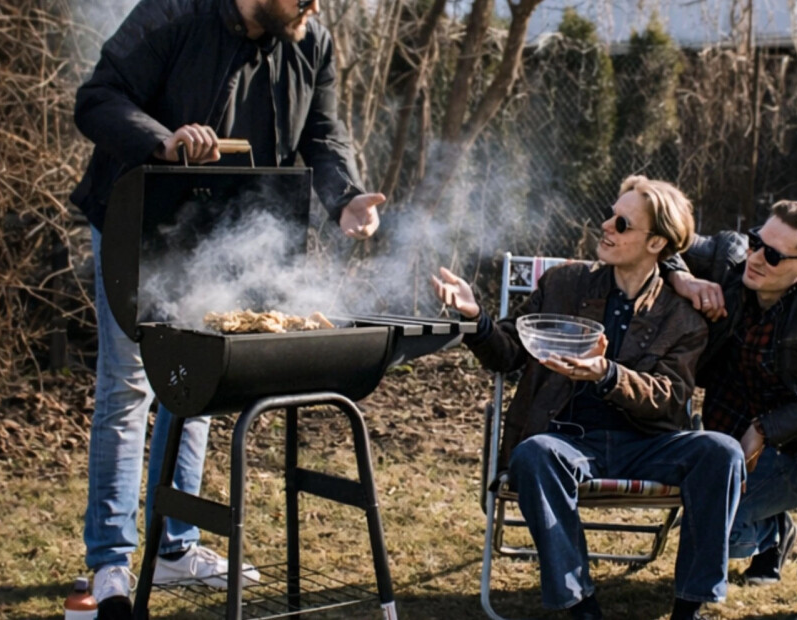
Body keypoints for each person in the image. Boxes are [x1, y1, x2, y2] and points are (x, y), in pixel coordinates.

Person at [70, 0, 385, 616]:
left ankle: (174, 549)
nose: (315, 6)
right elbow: (98, 98)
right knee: (129, 386)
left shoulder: (310, 41)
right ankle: (110, 560)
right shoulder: (172, 15)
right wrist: (163, 140)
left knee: (198, 382)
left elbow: (322, 134)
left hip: (222, 237)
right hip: (139, 222)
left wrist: (344, 196)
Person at [432, 176, 745, 620]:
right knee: (533, 454)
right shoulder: (565, 285)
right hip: (568, 441)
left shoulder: (682, 317)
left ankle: (690, 606)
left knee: (722, 452)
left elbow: (671, 400)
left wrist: (607, 374)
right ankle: (581, 604)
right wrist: (474, 316)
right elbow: (507, 354)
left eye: (622, 223)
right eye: (610, 214)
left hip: (646, 444)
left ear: (656, 242)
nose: (606, 226)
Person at [664, 200, 797, 620]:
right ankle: (773, 531)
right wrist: (682, 278)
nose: (756, 257)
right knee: (723, 543)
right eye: (757, 241)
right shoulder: (729, 257)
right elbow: (662, 234)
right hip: (731, 459)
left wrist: (766, 427)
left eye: (774, 254)